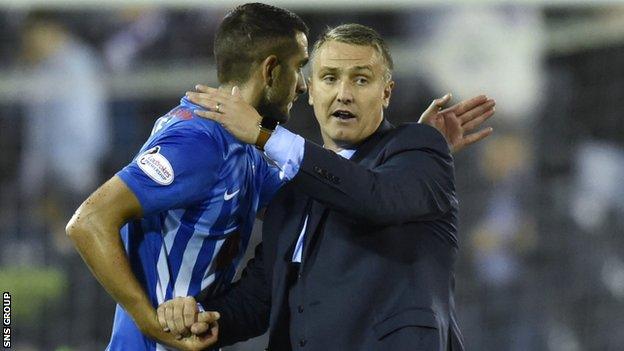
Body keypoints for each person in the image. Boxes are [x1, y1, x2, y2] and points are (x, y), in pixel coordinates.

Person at [158, 23, 495, 351]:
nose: (343, 94)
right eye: (330, 78)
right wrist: (204, 317)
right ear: (311, 91)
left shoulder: (420, 148)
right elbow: (260, 299)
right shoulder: (292, 192)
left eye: (361, 80)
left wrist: (266, 136)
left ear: (386, 92)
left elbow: (375, 198)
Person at [66, 4, 309, 350]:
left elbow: (303, 205)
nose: (302, 85)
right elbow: (88, 221)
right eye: (299, 68)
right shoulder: (199, 142)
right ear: (270, 70)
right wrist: (150, 322)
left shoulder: (243, 146)